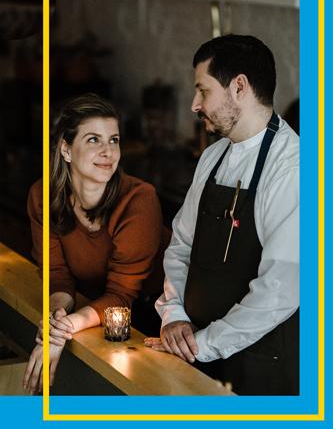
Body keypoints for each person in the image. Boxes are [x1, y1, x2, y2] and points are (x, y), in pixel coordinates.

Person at [145, 34, 299, 395]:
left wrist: (204, 344)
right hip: (193, 354)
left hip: (262, 369)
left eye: (203, 91)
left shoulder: (294, 169)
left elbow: (280, 289)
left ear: (239, 87)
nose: (195, 105)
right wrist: (175, 316)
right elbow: (181, 247)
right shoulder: (212, 159)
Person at [23, 93, 168, 394]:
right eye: (93, 140)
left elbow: (122, 294)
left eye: (113, 140)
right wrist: (56, 320)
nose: (108, 151)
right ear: (65, 148)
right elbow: (58, 275)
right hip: (93, 309)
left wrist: (63, 331)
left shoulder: (138, 199)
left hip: (153, 317)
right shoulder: (43, 196)